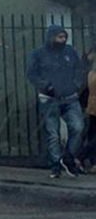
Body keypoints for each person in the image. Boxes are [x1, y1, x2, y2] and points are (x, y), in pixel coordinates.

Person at [27, 25, 86, 178]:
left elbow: (79, 69)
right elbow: (31, 74)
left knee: (78, 127)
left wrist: (76, 85)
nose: (63, 40)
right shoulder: (38, 54)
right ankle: (55, 165)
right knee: (53, 134)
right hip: (49, 98)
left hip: (69, 96)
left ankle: (67, 157)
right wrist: (46, 86)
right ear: (51, 37)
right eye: (59, 37)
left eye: (64, 37)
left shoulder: (70, 52)